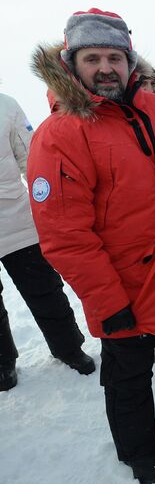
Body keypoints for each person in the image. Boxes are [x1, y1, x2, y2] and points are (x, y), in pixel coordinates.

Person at [27, 8, 155, 484]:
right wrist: (107, 301)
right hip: (119, 283)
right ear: (71, 62)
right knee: (129, 371)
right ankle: (138, 449)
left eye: (114, 57)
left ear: (129, 61)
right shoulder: (59, 135)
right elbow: (64, 235)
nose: (105, 68)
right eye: (92, 57)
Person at [0, 92, 94, 391]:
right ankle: (3, 362)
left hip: (15, 219)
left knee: (43, 289)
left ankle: (68, 347)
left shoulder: (6, 105)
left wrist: (49, 203)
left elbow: (31, 158)